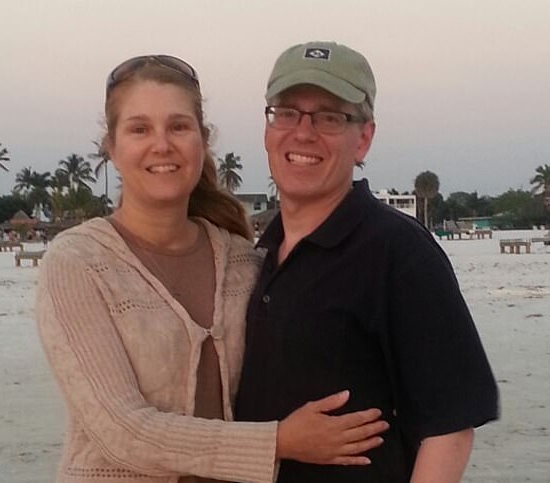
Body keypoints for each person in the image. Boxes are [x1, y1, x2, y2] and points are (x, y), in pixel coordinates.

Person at [36, 54, 389, 483]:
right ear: (111, 147)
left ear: (201, 141)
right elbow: (120, 427)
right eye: (139, 128)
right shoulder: (77, 263)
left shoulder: (245, 260)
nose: (161, 144)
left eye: (179, 127)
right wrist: (279, 442)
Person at [234, 41, 500, 483]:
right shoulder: (254, 254)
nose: (303, 132)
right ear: (267, 128)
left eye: (329, 116)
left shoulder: (399, 252)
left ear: (364, 137)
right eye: (287, 112)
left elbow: (450, 428)